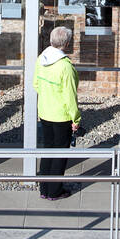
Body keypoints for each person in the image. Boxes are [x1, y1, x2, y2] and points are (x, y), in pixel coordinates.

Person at [33, 26, 81, 200]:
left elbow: (36, 84)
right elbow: (70, 97)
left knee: (48, 150)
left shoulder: (41, 58)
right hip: (61, 116)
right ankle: (54, 191)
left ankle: (44, 189)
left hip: (45, 112)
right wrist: (76, 119)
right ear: (67, 43)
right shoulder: (65, 67)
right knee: (60, 154)